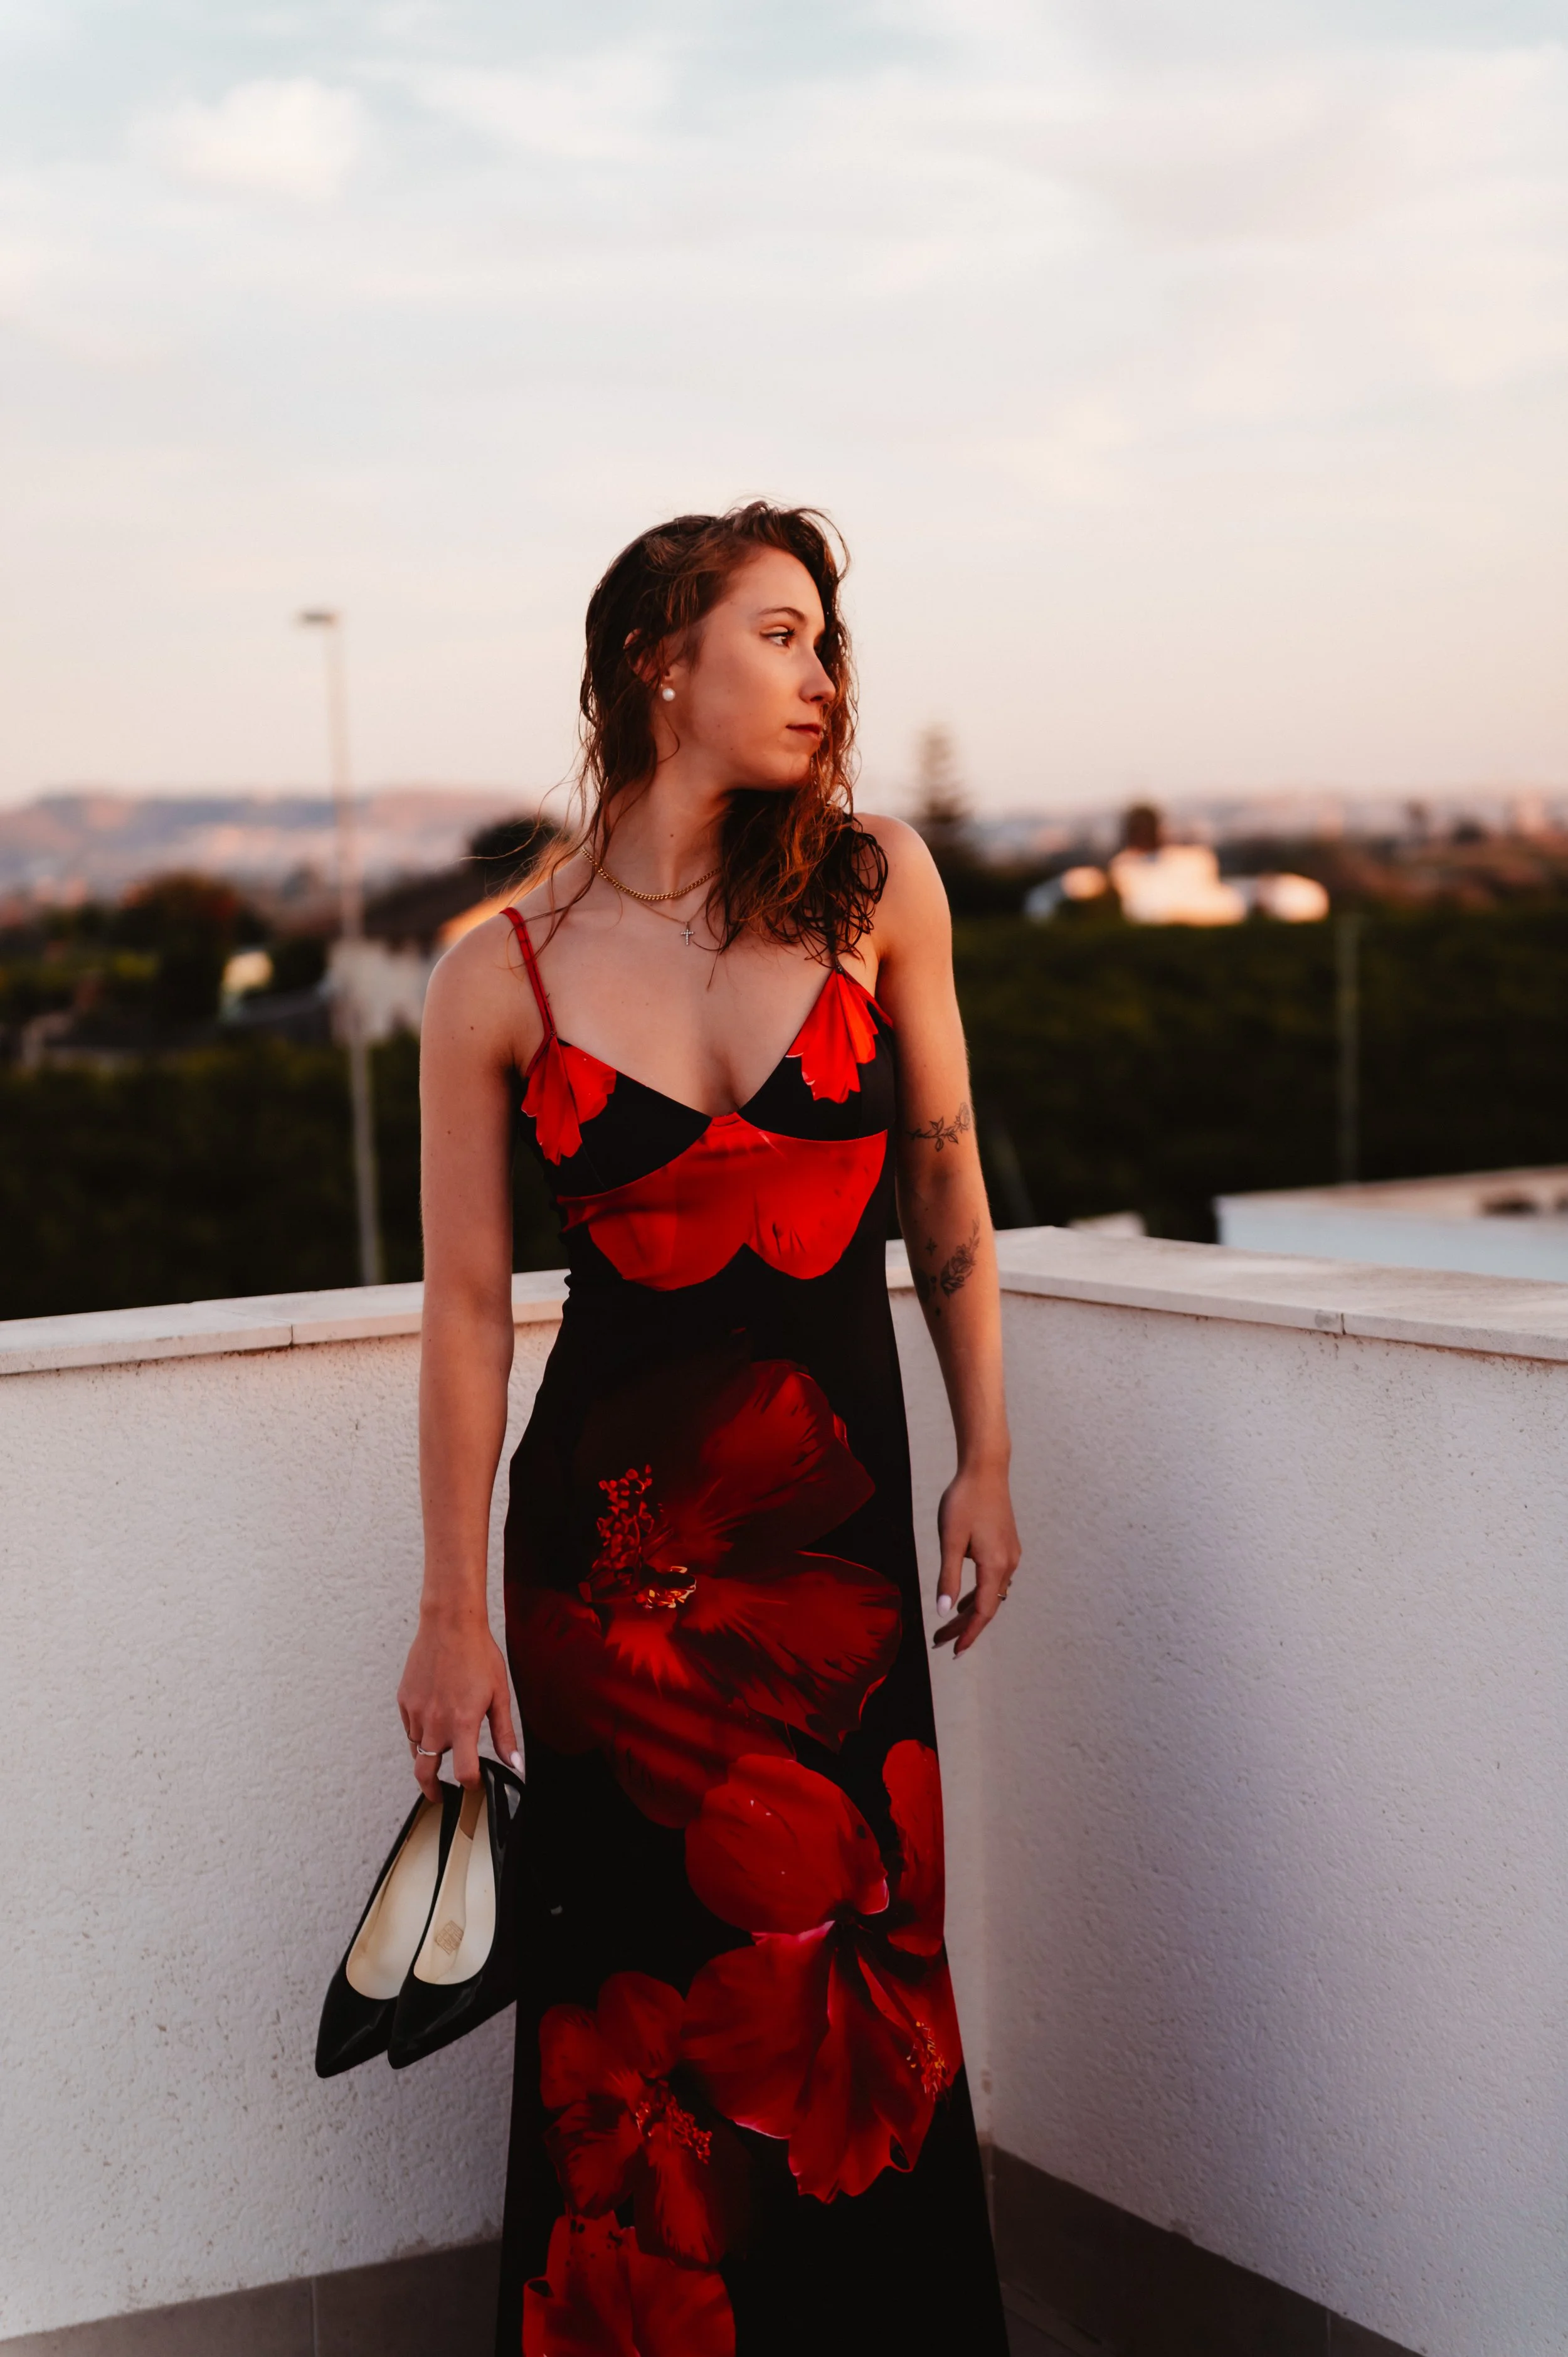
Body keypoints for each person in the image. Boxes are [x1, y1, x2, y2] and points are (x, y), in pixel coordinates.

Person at [399, 502, 1021, 2355]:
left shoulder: (875, 885)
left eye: (830, 640)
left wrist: (988, 1449)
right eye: (779, 635)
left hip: (824, 1552)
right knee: (632, 1999)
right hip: (609, 1588)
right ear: (658, 661)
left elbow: (943, 1186)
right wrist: (447, 1609)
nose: (823, 677)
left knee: (857, 1967)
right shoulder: (493, 969)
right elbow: (457, 1316)